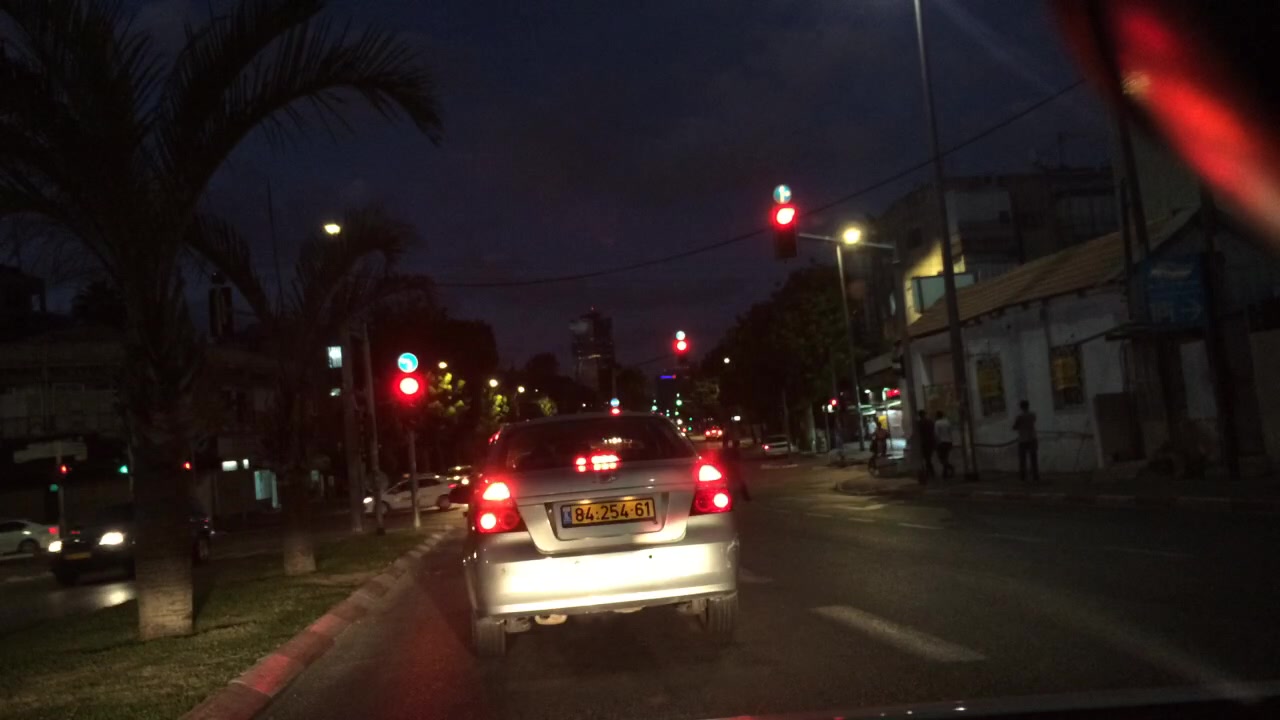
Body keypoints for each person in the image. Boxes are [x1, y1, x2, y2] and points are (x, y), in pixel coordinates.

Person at [1013, 400, 1039, 483]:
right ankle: (1035, 475)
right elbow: (1034, 421)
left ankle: (1023, 476)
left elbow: (1015, 427)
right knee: (1033, 458)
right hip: (1032, 438)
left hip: (1023, 439)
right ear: (1028, 406)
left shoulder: (1019, 416)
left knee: (1022, 459)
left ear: (1021, 407)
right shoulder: (1032, 415)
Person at [914, 409, 936, 482]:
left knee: (926, 458)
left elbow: (917, 433)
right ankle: (930, 472)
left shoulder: (919, 423)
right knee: (928, 458)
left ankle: (929, 472)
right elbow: (933, 431)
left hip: (923, 442)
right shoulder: (930, 422)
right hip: (930, 441)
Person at [934, 410, 954, 478]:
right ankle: (945, 472)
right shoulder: (947, 422)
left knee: (941, 458)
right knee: (946, 457)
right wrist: (951, 441)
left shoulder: (937, 423)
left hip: (941, 442)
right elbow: (950, 432)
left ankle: (950, 468)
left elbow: (936, 434)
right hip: (948, 442)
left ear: (937, 416)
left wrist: (936, 442)